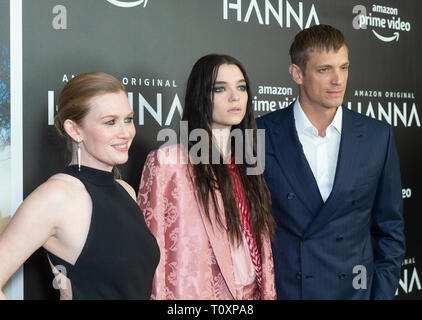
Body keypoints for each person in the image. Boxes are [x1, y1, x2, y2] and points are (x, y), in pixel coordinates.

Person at [256, 24, 405, 299]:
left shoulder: (377, 136)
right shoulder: (259, 135)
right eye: (324, 69)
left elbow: (390, 230)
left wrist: (380, 295)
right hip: (288, 292)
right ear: (297, 73)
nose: (338, 79)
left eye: (344, 67)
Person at [0, 72, 160, 300]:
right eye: (110, 122)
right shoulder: (57, 196)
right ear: (74, 130)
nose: (126, 132)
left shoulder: (126, 191)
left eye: (128, 119)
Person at [137, 54, 276, 299]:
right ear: (201, 95)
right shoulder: (168, 162)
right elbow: (151, 252)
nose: (235, 97)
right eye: (220, 88)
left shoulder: (248, 161)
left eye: (241, 87)